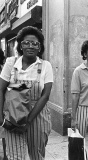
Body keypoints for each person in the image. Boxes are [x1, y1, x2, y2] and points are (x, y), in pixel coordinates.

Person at [0, 26, 53, 160]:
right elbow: (1, 89)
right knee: (15, 157)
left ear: (39, 47)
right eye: (26, 42)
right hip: (13, 116)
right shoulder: (11, 63)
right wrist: (1, 118)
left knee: (36, 156)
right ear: (20, 46)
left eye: (35, 43)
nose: (31, 46)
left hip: (38, 117)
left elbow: (45, 95)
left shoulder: (46, 65)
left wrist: (28, 122)